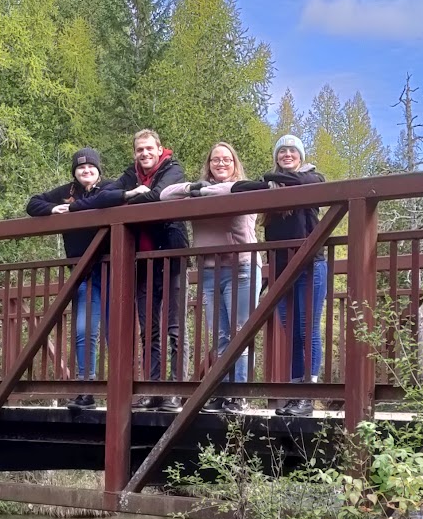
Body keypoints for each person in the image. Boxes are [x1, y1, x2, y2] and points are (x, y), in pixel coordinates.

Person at [71, 129, 188, 408]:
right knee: (149, 330)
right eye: (139, 150)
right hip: (140, 261)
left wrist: (125, 198)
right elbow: (102, 197)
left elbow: (159, 196)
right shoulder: (130, 175)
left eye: (149, 149)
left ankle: (174, 391)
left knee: (174, 328)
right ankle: (151, 389)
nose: (145, 154)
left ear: (160, 149)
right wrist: (131, 192)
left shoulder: (173, 169)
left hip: (170, 256)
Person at [160, 141, 260, 413]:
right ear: (209, 164)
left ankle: (238, 396)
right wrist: (193, 188)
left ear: (235, 163)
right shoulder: (198, 191)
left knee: (240, 333)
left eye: (226, 159)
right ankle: (222, 392)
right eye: (215, 160)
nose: (221, 164)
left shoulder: (244, 187)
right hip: (208, 273)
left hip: (242, 268)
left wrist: (204, 192)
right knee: (220, 336)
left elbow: (232, 190)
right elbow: (165, 194)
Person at [26, 148, 108, 409]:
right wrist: (54, 209)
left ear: (98, 170)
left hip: (112, 269)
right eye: (81, 167)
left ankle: (123, 391)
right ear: (74, 171)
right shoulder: (67, 192)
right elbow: (32, 204)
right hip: (82, 271)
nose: (86, 171)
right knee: (84, 331)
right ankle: (86, 390)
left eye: (91, 167)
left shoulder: (109, 189)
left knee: (114, 332)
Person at [262, 133, 328, 415]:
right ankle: (292, 393)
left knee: (307, 329)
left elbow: (306, 183)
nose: (287, 154)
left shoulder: (313, 178)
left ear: (301, 156)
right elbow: (242, 187)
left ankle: (307, 395)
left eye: (292, 151)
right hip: (281, 270)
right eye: (282, 151)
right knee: (291, 333)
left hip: (311, 266)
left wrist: (271, 181)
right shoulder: (269, 186)